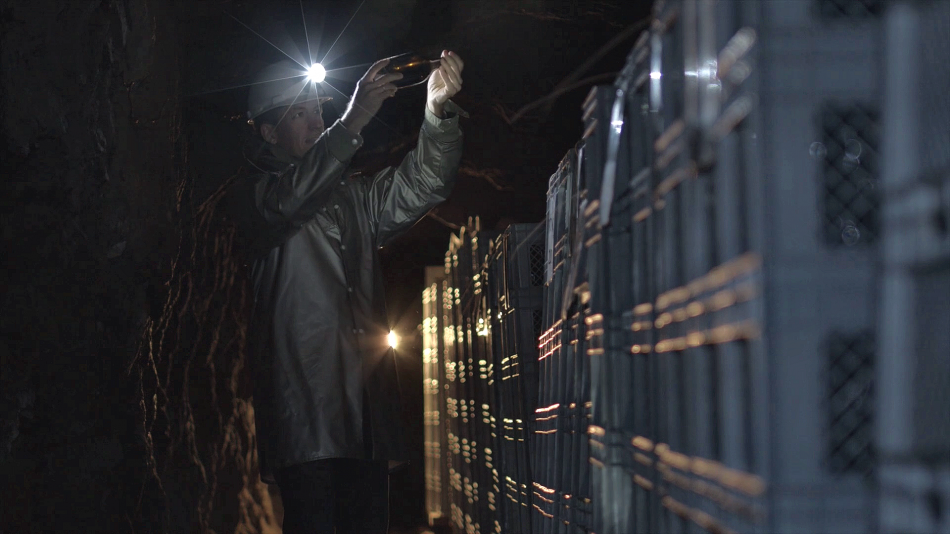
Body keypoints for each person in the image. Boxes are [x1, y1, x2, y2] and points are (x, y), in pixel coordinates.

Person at [227, 50, 465, 534]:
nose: (316, 119)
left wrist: (437, 115)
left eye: (318, 109)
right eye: (299, 112)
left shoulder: (352, 196)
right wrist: (353, 119)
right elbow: (292, 198)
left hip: (364, 419)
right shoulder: (256, 197)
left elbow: (422, 184)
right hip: (306, 419)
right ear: (268, 132)